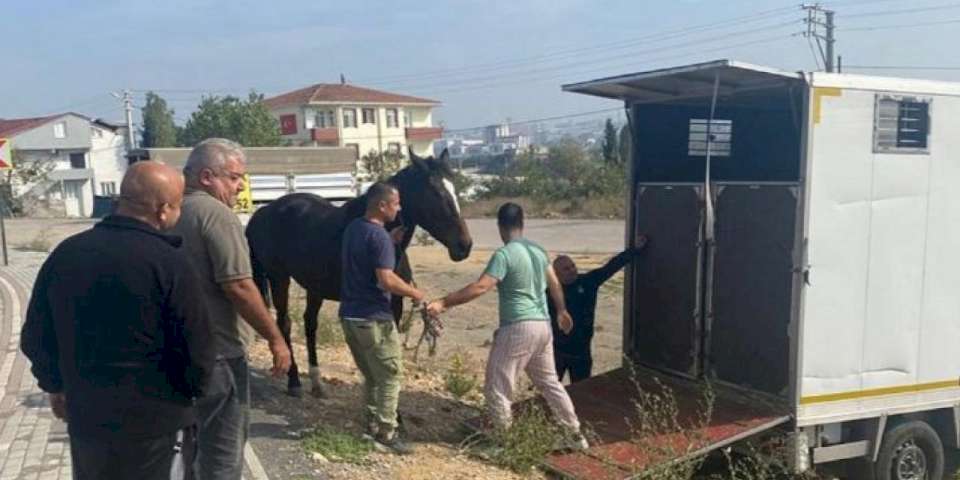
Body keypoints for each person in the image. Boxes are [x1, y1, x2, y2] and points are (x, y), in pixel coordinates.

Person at [20, 161, 215, 480]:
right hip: (158, 424)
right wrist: (192, 393)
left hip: (88, 421)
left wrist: (54, 384)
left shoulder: (66, 254)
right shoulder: (171, 264)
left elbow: (35, 336)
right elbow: (198, 347)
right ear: (163, 209)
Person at [172, 138, 292, 480]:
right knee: (222, 456)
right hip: (220, 354)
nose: (240, 186)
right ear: (207, 177)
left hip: (178, 353)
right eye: (235, 177)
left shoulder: (169, 212)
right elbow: (238, 285)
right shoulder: (217, 215)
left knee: (189, 450)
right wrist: (276, 338)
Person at [426, 202, 588, 449]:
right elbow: (554, 283)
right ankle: (574, 434)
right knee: (550, 383)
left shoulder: (504, 255)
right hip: (543, 326)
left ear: (500, 226)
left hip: (518, 327)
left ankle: (502, 442)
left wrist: (443, 302)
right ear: (522, 223)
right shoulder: (538, 251)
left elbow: (481, 286)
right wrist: (562, 310)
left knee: (498, 385)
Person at [339, 181, 425, 455]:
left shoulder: (355, 228)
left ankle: (371, 423)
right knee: (390, 375)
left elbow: (365, 254)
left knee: (371, 375)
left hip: (350, 316)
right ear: (382, 205)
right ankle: (387, 432)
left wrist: (389, 240)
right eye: (396, 204)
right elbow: (386, 279)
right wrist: (414, 292)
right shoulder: (379, 238)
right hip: (374, 317)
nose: (399, 209)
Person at [549, 236, 647, 383]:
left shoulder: (588, 281)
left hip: (582, 352)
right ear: (556, 274)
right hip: (557, 352)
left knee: (582, 389)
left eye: (573, 266)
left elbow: (612, 266)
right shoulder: (549, 292)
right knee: (550, 389)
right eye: (566, 269)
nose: (572, 270)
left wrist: (635, 249)